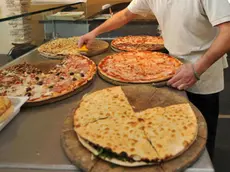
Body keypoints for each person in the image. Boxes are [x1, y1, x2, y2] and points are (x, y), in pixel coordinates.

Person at [78, 0, 230, 160]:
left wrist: (197, 69)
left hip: (203, 68)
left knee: (202, 135)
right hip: (169, 67)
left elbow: (227, 33)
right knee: (173, 130)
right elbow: (125, 15)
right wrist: (94, 33)